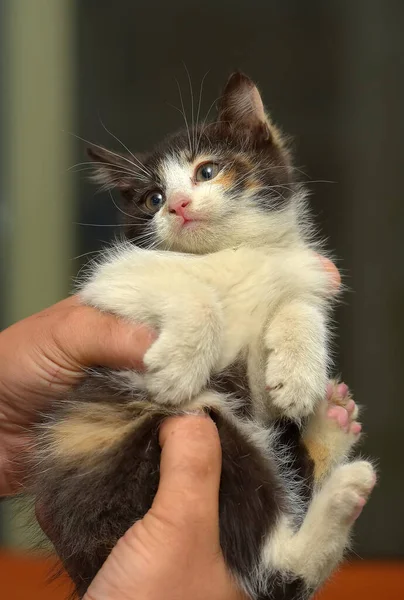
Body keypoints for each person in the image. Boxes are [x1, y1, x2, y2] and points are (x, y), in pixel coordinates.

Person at [0, 259, 340, 600]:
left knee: (231, 444)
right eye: (155, 200)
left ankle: (284, 541)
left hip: (112, 460)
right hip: (124, 460)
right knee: (213, 444)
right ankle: (282, 561)